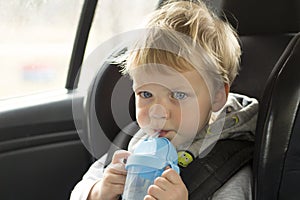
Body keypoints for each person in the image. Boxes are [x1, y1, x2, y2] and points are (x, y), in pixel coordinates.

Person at [70, 0, 258, 199]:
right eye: (146, 95)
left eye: (178, 95)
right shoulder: (135, 141)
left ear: (217, 96)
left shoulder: (228, 167)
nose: (158, 112)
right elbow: (79, 191)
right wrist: (99, 191)